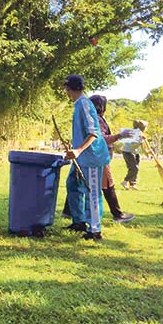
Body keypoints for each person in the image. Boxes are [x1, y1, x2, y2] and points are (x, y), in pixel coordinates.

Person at [62, 95, 135, 223]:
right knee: (105, 185)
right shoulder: (96, 119)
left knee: (76, 182)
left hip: (86, 155)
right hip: (96, 156)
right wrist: (119, 136)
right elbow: (99, 137)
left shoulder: (89, 116)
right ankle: (114, 215)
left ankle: (69, 212)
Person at [62, 75, 110, 240]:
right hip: (81, 157)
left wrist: (78, 150)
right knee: (72, 185)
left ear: (68, 89)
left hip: (91, 157)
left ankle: (95, 230)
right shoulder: (78, 104)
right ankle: (79, 221)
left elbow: (93, 133)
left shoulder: (84, 104)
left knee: (92, 192)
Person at [121, 120, 148, 190]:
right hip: (128, 152)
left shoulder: (141, 134)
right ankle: (125, 181)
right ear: (143, 127)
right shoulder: (135, 133)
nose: (147, 128)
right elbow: (134, 143)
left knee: (135, 169)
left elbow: (143, 147)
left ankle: (132, 184)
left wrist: (147, 153)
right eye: (146, 127)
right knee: (134, 168)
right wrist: (141, 140)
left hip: (135, 152)